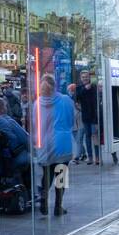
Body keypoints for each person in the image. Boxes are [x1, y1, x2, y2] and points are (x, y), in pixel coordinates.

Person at [32, 75, 76, 216]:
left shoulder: (37, 103)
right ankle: (58, 206)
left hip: (45, 143)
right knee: (61, 174)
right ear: (55, 85)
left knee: (47, 174)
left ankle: (44, 202)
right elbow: (71, 121)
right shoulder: (65, 100)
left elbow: (34, 124)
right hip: (62, 143)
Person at [76, 70, 101, 165]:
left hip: (94, 116)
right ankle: (90, 157)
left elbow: (98, 97)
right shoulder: (79, 88)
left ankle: (97, 157)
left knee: (95, 136)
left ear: (89, 78)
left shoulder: (94, 87)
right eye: (83, 77)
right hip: (85, 117)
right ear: (81, 78)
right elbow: (77, 97)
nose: (85, 79)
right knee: (87, 136)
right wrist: (85, 89)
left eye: (86, 77)